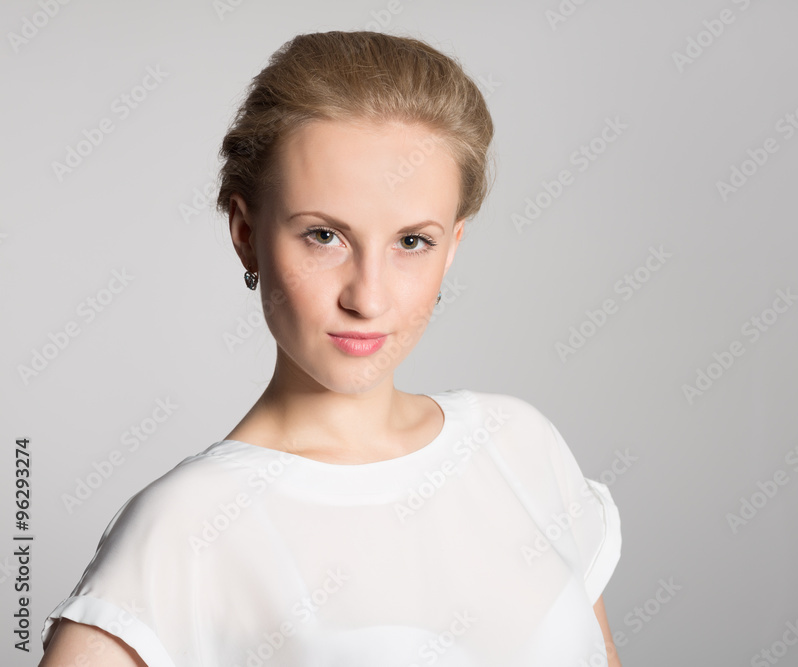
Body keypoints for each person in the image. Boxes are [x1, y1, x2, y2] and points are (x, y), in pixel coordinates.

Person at [38, 30, 623, 667]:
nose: (367, 298)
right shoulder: (184, 528)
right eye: (324, 236)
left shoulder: (521, 445)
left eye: (412, 242)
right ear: (246, 234)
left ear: (453, 245)